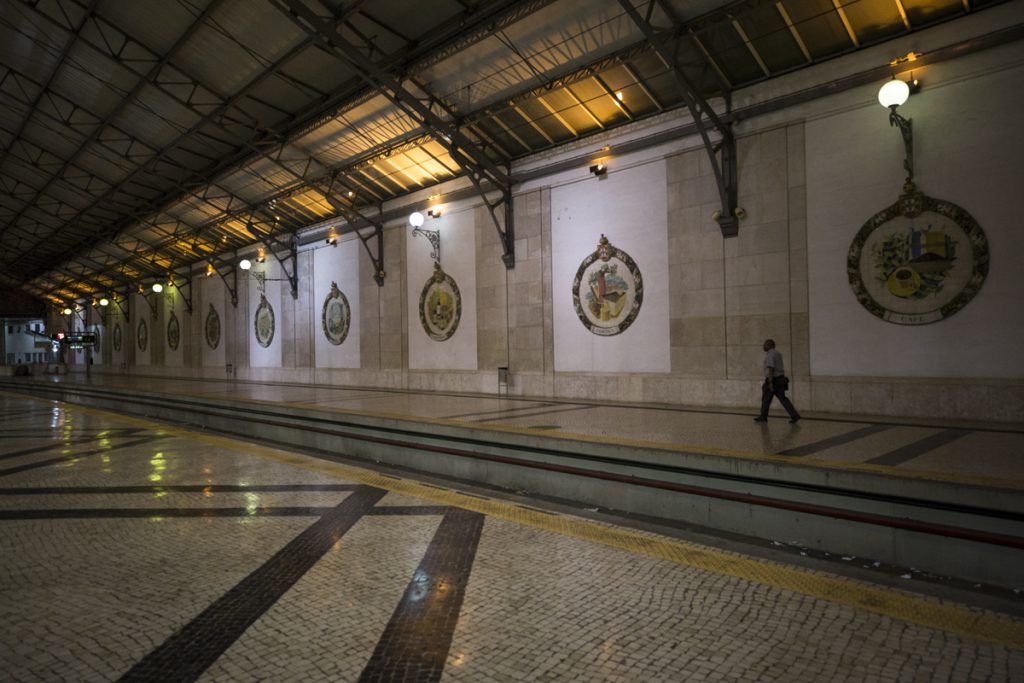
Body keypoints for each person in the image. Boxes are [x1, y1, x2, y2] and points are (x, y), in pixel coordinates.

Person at [754, 339, 800, 424]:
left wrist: (770, 382)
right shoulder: (778, 353)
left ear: (768, 345)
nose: (763, 346)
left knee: (766, 399)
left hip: (773, 380)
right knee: (783, 399)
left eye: (764, 344)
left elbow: (771, 367)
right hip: (780, 379)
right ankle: (794, 415)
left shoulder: (770, 355)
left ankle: (763, 416)